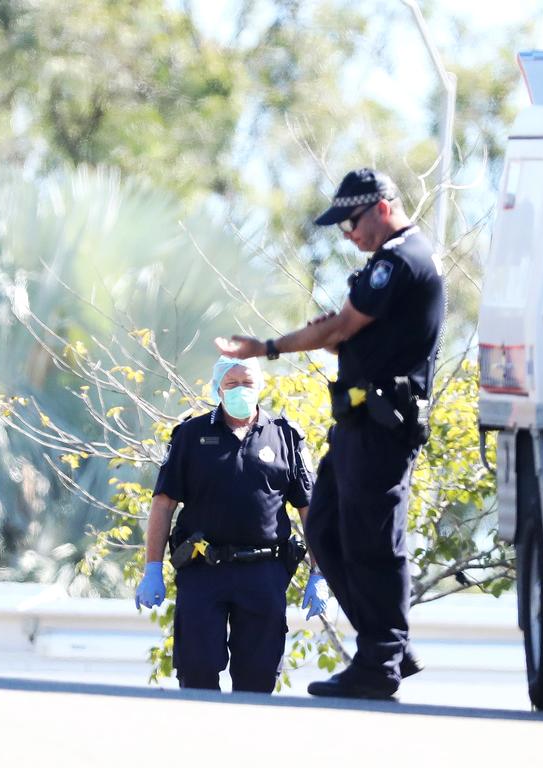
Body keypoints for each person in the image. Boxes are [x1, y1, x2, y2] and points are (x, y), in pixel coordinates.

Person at [215, 167, 446, 700]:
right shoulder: (393, 261)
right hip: (360, 421)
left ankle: (381, 657)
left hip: (383, 424)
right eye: (343, 227)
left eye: (353, 222)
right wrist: (340, 336)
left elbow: (341, 327)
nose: (350, 235)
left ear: (382, 207)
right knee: (324, 528)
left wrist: (266, 348)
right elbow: (351, 334)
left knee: (372, 539)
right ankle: (386, 641)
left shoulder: (398, 260)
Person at [135, 355, 329, 693]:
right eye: (232, 384)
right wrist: (152, 568)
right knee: (196, 671)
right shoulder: (191, 434)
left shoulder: (285, 437)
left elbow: (310, 509)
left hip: (264, 572)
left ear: (260, 386)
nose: (240, 390)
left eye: (247, 383)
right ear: (217, 388)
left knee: (258, 677)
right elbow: (163, 504)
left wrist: (320, 572)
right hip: (202, 569)